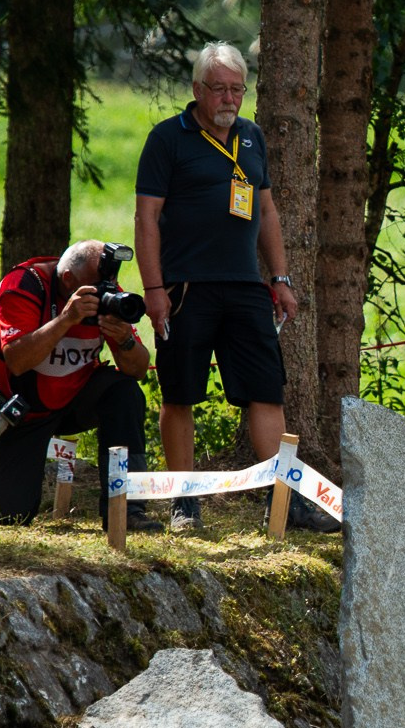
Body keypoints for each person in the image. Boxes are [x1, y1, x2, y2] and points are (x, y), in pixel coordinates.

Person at [134, 40, 337, 533]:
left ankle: (281, 501)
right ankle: (185, 502)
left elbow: (265, 210)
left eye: (236, 90)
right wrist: (154, 288)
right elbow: (147, 217)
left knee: (266, 392)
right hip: (185, 288)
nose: (229, 99)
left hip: (246, 286)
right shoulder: (167, 139)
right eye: (219, 89)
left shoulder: (251, 137)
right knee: (180, 394)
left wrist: (280, 277)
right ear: (198, 90)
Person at [0, 239, 159, 530]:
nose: (103, 293)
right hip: (16, 410)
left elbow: (139, 369)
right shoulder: (23, 285)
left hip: (72, 398)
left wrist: (124, 339)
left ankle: (126, 511)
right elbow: (17, 360)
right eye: (94, 287)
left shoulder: (106, 295)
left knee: (125, 393)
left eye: (108, 284)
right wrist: (68, 318)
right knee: (10, 517)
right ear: (68, 279)